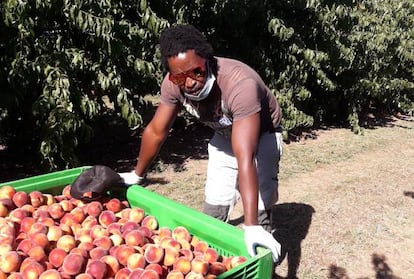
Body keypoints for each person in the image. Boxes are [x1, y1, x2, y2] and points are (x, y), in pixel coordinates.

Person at [119, 24, 283, 263]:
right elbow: (157, 130)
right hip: (225, 134)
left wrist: (251, 226)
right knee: (214, 204)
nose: (190, 83)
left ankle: (263, 258)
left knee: (259, 205)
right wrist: (137, 174)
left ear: (207, 60)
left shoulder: (239, 84)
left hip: (263, 135)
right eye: (180, 77)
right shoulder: (173, 84)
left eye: (196, 72)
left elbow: (245, 155)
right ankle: (212, 262)